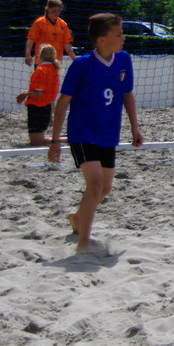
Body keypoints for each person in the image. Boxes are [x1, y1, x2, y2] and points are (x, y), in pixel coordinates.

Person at [48, 13, 143, 254]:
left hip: (108, 132)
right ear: (101, 40)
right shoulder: (82, 65)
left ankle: (77, 218)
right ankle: (84, 243)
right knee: (95, 183)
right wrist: (55, 140)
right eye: (118, 34)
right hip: (83, 132)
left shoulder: (124, 59)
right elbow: (62, 104)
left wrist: (135, 127)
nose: (123, 38)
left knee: (105, 186)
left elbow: (127, 94)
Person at [16, 44, 61, 145]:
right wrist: (27, 93)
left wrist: (25, 94)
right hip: (46, 107)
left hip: (37, 108)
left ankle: (68, 140)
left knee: (36, 141)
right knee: (39, 140)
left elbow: (38, 93)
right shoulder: (54, 70)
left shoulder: (40, 70)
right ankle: (68, 140)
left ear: (40, 56)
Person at [26, 0, 77, 67]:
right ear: (48, 9)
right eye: (54, 10)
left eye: (59, 11)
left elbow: (67, 44)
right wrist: (28, 54)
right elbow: (31, 39)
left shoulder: (63, 24)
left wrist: (75, 59)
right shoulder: (39, 22)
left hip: (56, 63)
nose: (57, 13)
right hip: (41, 62)